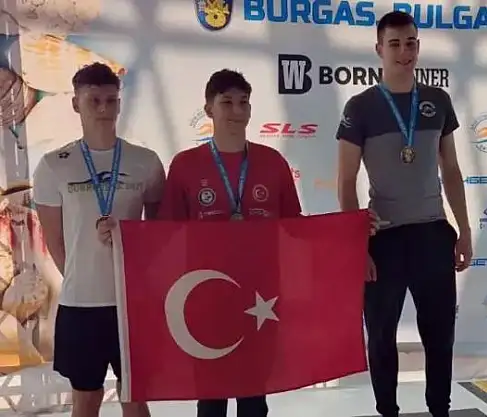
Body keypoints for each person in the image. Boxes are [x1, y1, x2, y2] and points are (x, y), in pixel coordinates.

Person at [156, 69, 382, 417]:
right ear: (209, 109)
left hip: (260, 298)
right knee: (211, 400)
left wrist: (350, 228)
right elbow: (164, 234)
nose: (236, 111)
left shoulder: (272, 163)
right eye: (227, 102)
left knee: (254, 399)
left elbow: (296, 228)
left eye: (243, 102)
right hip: (206, 296)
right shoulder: (186, 165)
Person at [336, 11, 473, 417]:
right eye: (394, 44)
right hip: (385, 239)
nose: (403, 51)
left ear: (418, 47)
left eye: (410, 42)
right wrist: (357, 245)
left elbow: (451, 169)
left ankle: (440, 408)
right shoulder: (360, 107)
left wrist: (464, 229)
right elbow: (345, 180)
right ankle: (387, 411)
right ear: (379, 49)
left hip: (433, 234)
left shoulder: (437, 101)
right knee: (381, 337)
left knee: (440, 336)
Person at [32, 62, 165, 417]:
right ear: (76, 104)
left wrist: (128, 248)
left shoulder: (146, 162)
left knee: (135, 397)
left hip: (133, 304)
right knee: (86, 399)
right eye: (94, 100)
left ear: (119, 103)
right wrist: (85, 278)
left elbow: (159, 235)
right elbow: (55, 242)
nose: (104, 108)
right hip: (81, 305)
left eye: (111, 100)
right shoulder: (54, 165)